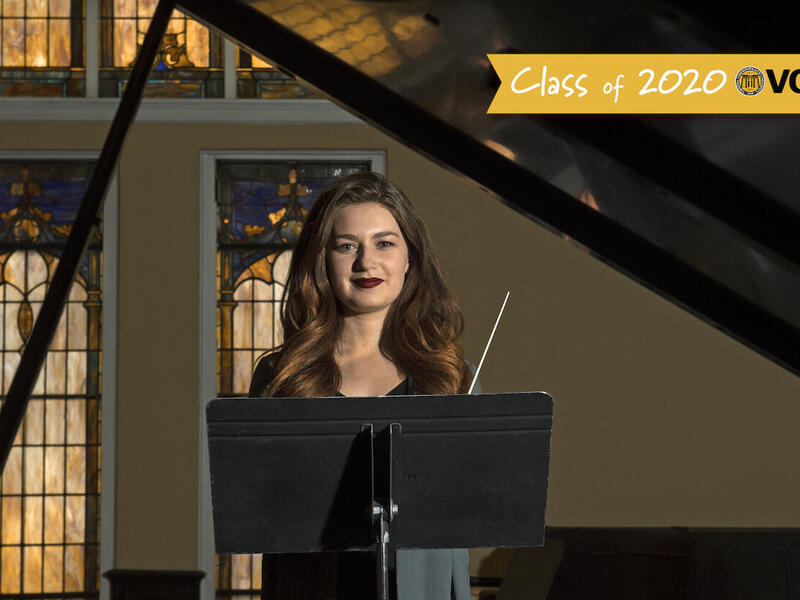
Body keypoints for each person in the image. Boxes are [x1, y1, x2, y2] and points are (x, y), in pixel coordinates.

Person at [249, 171, 478, 599]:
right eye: (346, 245)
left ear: (410, 258)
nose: (365, 262)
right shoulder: (281, 375)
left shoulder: (452, 376)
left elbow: (467, 523)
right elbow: (260, 512)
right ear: (323, 259)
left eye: (385, 243)